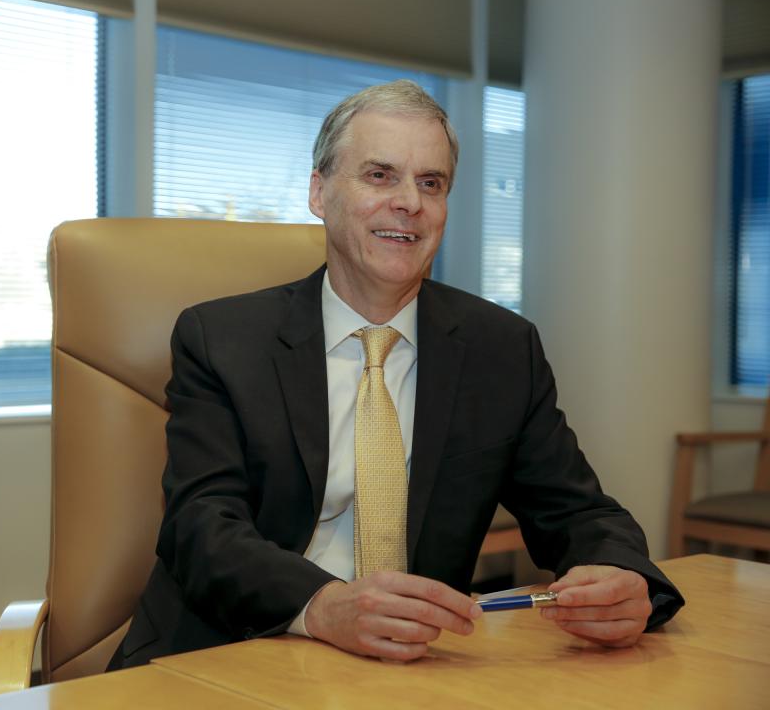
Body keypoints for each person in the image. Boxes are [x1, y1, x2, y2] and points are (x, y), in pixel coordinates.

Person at [108, 80, 683, 670]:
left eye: (430, 183)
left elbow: (579, 512)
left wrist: (622, 576)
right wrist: (324, 605)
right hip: (228, 645)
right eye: (380, 175)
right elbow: (201, 527)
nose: (409, 201)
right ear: (319, 192)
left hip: (409, 666)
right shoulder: (222, 338)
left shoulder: (502, 349)